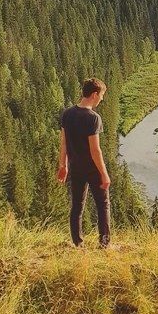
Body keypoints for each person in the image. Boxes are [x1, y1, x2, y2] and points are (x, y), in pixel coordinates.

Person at [57, 77, 111, 248]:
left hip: (76, 168)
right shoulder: (93, 118)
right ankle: (104, 244)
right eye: (102, 95)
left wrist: (63, 165)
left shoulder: (67, 114)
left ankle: (77, 243)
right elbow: (95, 151)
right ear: (95, 94)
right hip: (93, 169)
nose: (102, 99)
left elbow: (64, 142)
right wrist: (104, 174)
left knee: (77, 206)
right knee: (103, 206)